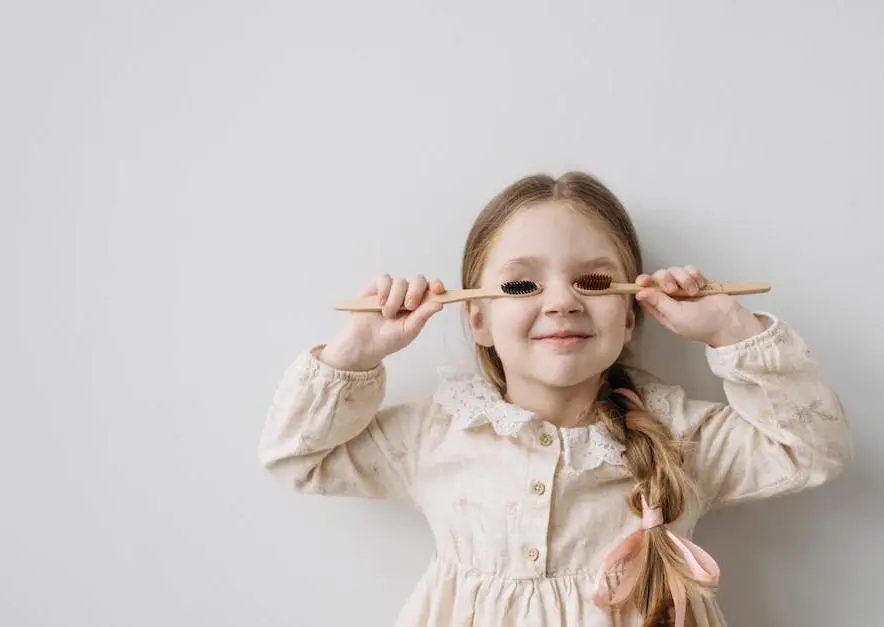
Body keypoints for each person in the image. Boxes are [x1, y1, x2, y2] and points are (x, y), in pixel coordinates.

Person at [258, 172, 853, 626]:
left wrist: (730, 329)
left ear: (629, 317)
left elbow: (814, 449)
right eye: (522, 284)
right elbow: (296, 457)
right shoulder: (435, 434)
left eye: (593, 281)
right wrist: (359, 349)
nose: (563, 300)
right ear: (479, 319)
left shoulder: (680, 436)